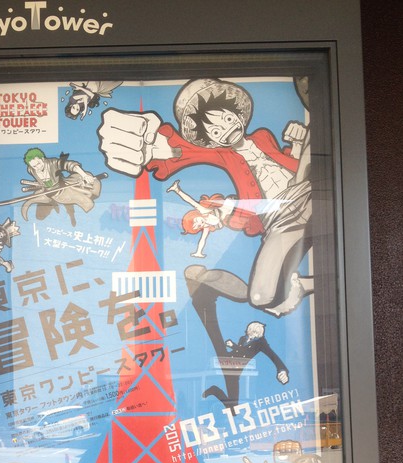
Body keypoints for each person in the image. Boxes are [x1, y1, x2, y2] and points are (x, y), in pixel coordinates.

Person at [98, 78, 314, 316]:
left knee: (315, 137)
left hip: (305, 187)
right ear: (211, 140)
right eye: (216, 131)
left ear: (238, 114)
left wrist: (298, 141)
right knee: (260, 296)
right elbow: (181, 151)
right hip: (280, 220)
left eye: (228, 119)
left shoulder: (263, 137)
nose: (227, 129)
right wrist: (155, 145)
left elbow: (287, 162)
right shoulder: (223, 155)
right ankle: (305, 285)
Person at [203, 321, 289, 409]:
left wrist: (282, 370)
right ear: (250, 330)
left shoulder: (261, 343)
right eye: (254, 332)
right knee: (233, 404)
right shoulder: (243, 338)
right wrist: (232, 347)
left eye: (258, 333)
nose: (256, 335)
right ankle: (215, 391)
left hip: (236, 369)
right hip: (229, 361)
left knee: (233, 404)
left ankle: (215, 391)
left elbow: (272, 355)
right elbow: (239, 352)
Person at [22, 148, 101, 224]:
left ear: (42, 159)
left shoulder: (53, 163)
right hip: (47, 192)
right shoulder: (31, 170)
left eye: (38, 163)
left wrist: (84, 175)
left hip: (63, 191)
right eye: (34, 166)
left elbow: (70, 165)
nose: (38, 167)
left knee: (88, 203)